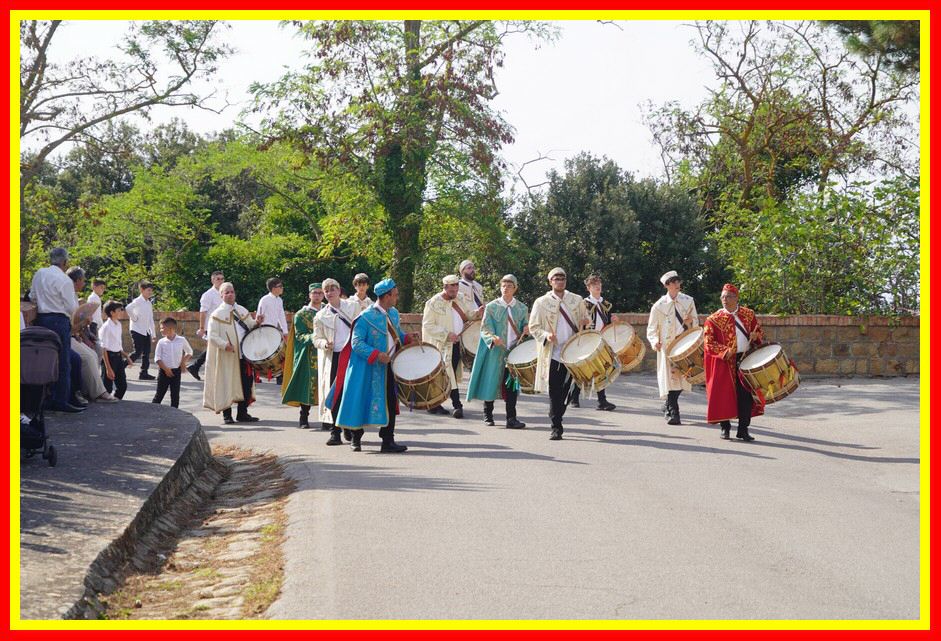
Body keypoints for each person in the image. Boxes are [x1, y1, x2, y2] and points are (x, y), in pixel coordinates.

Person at [327, 278, 416, 453]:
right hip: (365, 368)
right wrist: (376, 355)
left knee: (390, 402)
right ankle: (355, 438)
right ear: (386, 296)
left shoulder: (394, 313)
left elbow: (396, 334)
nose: (397, 298)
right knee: (361, 400)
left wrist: (407, 338)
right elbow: (356, 343)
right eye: (395, 295)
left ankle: (388, 440)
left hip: (387, 367)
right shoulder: (365, 317)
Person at [529, 267, 590, 440]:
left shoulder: (576, 299)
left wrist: (586, 321)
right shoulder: (541, 302)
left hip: (574, 352)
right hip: (554, 353)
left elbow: (587, 319)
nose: (560, 281)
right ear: (550, 282)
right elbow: (534, 327)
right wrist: (547, 335)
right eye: (556, 278)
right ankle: (556, 425)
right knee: (555, 390)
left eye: (562, 278)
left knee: (570, 389)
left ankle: (557, 413)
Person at [703, 283, 765, 441]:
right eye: (722, 297)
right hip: (725, 361)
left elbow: (758, 331)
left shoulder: (748, 314)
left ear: (736, 298)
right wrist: (725, 351)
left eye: (728, 296)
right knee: (725, 395)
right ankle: (725, 428)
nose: (725, 299)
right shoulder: (713, 319)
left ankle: (743, 429)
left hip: (745, 359)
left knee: (745, 396)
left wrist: (755, 335)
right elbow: (708, 343)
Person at [466, 274, 529, 428]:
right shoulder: (492, 306)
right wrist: (493, 338)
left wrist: (527, 329)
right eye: (503, 285)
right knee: (491, 381)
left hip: (513, 351)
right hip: (496, 350)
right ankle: (488, 415)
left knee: (512, 386)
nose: (505, 288)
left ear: (515, 288)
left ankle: (511, 418)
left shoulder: (521, 308)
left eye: (509, 286)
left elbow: (525, 326)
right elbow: (485, 327)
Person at [29, 247, 83, 412]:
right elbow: (71, 307)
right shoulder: (64, 280)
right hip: (59, 321)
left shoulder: (39, 273)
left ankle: (45, 398)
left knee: (44, 359)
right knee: (63, 361)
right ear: (65, 262)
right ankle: (61, 400)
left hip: (40, 319)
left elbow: (32, 296)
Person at [203, 282, 264, 424]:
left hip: (245, 354)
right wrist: (225, 345)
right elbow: (212, 336)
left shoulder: (242, 310)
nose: (230, 294)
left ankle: (242, 413)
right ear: (221, 295)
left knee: (246, 384)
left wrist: (257, 322)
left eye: (232, 292)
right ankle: (227, 415)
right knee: (227, 384)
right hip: (228, 355)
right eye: (227, 292)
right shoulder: (216, 315)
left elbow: (250, 325)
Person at [646, 270, 699, 425]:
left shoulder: (688, 301)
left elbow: (696, 324)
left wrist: (690, 322)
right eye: (674, 282)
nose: (677, 285)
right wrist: (655, 341)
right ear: (667, 285)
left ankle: (668, 405)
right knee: (670, 379)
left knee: (683, 377)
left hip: (685, 344)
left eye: (678, 281)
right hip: (667, 347)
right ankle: (673, 411)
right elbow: (651, 328)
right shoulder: (659, 306)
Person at [313, 278, 361, 444]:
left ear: (339, 291)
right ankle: (335, 432)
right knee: (334, 394)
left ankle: (350, 428)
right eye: (326, 290)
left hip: (353, 355)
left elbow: (362, 326)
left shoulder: (353, 306)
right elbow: (316, 338)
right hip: (334, 357)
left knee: (352, 393)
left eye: (333, 288)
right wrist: (325, 344)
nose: (330, 292)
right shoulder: (320, 316)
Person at [421, 274, 474, 418]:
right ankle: (457, 405)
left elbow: (468, 314)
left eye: (456, 288)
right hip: (440, 344)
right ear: (445, 287)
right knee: (446, 373)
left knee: (448, 374)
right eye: (452, 289)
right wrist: (446, 334)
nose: (455, 292)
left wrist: (477, 313)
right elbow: (428, 325)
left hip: (456, 343)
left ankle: (435, 404)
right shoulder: (432, 303)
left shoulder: (460, 298)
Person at [67, 267, 118, 404]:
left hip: (74, 334)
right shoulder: (69, 294)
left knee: (93, 353)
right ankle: (98, 392)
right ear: (77, 280)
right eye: (83, 281)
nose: (84, 284)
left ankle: (90, 390)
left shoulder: (73, 295)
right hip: (66, 335)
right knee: (89, 356)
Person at [570, 273, 619, 411]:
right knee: (584, 370)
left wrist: (614, 320)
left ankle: (601, 401)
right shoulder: (583, 304)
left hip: (601, 340)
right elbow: (576, 322)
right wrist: (582, 322)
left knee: (600, 369)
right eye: (593, 285)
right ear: (588, 288)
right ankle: (574, 397)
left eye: (598, 284)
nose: (597, 286)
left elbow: (608, 322)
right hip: (587, 339)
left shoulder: (606, 304)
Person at [281, 283, 326, 429]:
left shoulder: (328, 310)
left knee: (325, 386)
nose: (317, 295)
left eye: (320, 293)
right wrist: (316, 338)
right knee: (308, 385)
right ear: (310, 295)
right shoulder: (301, 314)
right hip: (309, 353)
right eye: (315, 293)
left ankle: (327, 420)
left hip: (326, 352)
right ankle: (304, 417)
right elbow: (300, 336)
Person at [188, 271, 224, 380]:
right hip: (211, 327)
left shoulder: (224, 293)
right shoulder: (208, 295)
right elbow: (203, 312)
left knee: (214, 350)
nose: (221, 281)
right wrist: (202, 328)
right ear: (212, 280)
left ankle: (196, 367)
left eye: (222, 279)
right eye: (218, 279)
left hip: (222, 326)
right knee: (212, 349)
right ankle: (199, 368)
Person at [152, 317, 193, 409]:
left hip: (176, 371)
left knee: (175, 396)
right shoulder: (161, 342)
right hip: (164, 371)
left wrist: (183, 363)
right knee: (159, 395)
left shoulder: (181, 340)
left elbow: (189, 352)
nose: (160, 330)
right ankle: (151, 412)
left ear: (171, 328)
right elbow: (157, 358)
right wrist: (166, 369)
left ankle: (175, 416)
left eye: (163, 328)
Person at [257, 276, 289, 384]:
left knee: (279, 353)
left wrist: (285, 331)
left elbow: (281, 316)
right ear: (273, 288)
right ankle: (257, 374)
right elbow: (259, 315)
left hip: (274, 330)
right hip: (265, 329)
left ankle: (280, 376)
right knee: (264, 354)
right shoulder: (265, 300)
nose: (282, 288)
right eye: (280, 286)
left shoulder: (279, 300)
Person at [99, 300, 132, 400]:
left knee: (122, 386)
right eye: (119, 310)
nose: (121, 312)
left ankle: (115, 403)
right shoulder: (106, 327)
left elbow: (118, 344)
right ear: (112, 312)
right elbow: (103, 348)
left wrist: (126, 356)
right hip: (108, 357)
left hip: (118, 357)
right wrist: (108, 368)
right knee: (107, 388)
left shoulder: (118, 324)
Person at [125, 280, 157, 380]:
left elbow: (151, 319)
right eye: (148, 290)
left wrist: (153, 333)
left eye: (151, 290)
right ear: (142, 290)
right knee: (137, 352)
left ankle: (144, 373)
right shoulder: (137, 301)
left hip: (146, 331)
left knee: (146, 353)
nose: (150, 292)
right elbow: (128, 308)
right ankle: (120, 367)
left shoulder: (149, 303)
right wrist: (134, 318)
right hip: (136, 330)